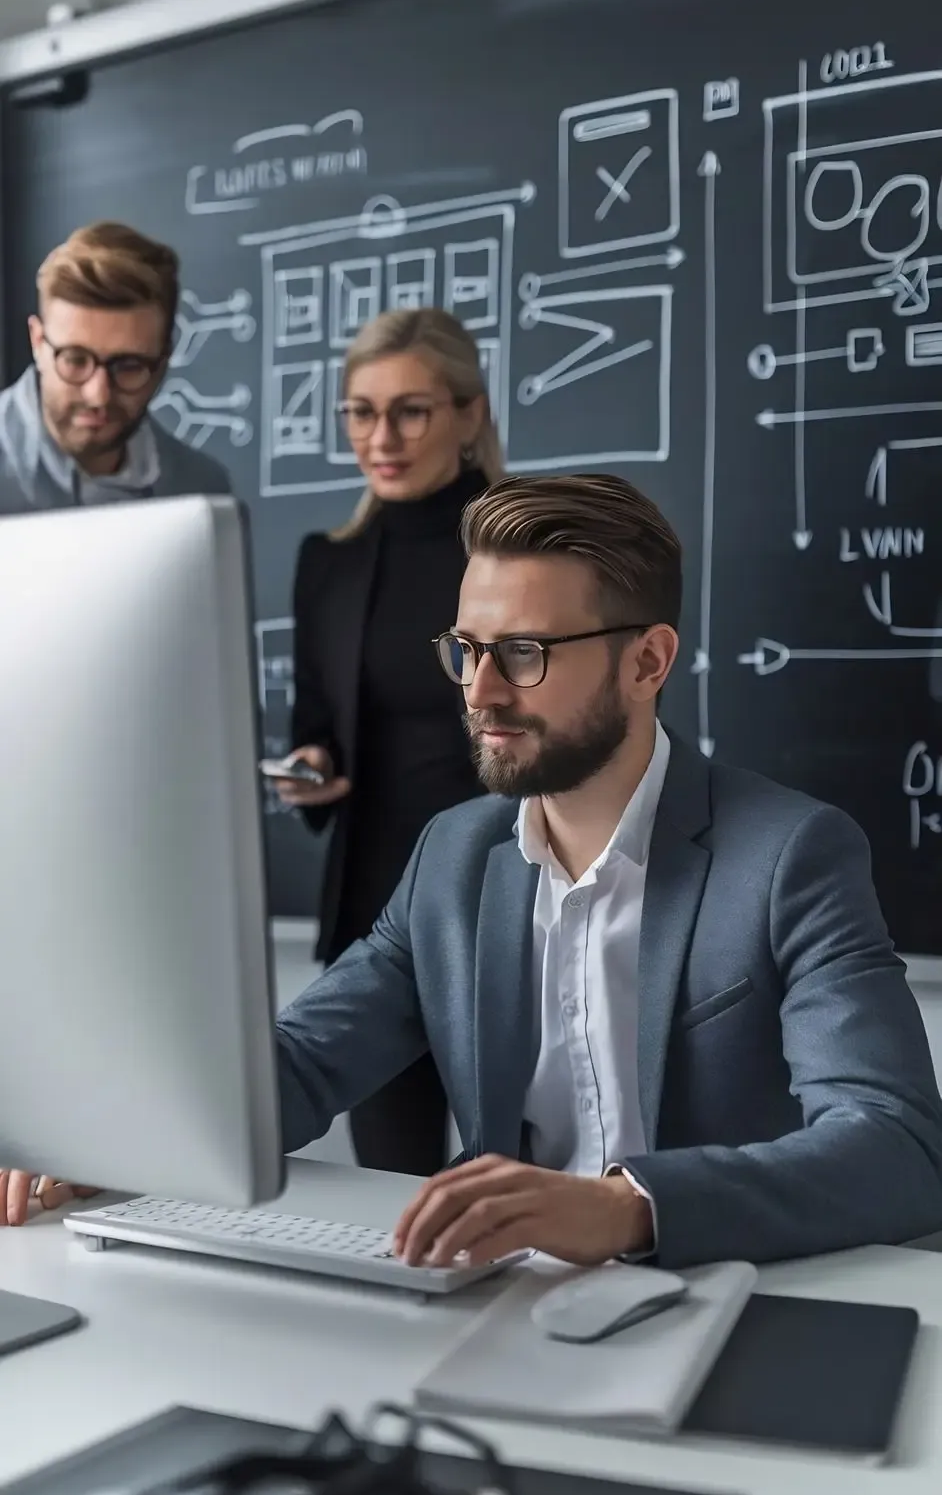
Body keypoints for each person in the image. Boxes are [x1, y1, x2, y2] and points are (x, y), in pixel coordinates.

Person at [6, 474, 942, 1268]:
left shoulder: (791, 855)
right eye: (467, 649)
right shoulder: (454, 856)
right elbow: (300, 1064)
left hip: (731, 1299)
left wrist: (627, 1206)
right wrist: (110, 1140)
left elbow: (898, 1148)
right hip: (508, 1307)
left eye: (525, 653)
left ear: (648, 661)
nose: (481, 692)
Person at [272, 307, 501, 1176]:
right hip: (377, 915)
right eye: (361, 412)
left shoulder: (522, 548)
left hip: (506, 897)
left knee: (531, 1179)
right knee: (395, 1191)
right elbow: (317, 723)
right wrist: (313, 767)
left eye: (411, 410)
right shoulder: (326, 561)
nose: (383, 435)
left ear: (469, 414)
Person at [0, 221, 230, 514]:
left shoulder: (201, 491)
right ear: (37, 342)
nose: (98, 395)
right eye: (75, 359)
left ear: (164, 360)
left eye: (129, 366)